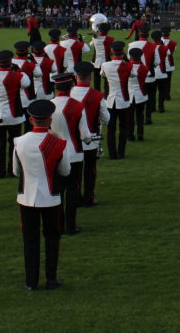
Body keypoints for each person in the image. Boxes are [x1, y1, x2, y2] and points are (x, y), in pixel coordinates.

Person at [12, 99, 71, 291]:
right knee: (52, 238)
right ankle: (51, 278)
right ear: (50, 119)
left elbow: (16, 171)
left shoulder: (19, 142)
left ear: (31, 120)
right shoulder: (59, 143)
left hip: (27, 196)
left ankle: (31, 281)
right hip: (51, 197)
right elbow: (65, 171)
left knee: (30, 239)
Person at [50, 72, 91, 235]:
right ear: (71, 86)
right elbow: (85, 135)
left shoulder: (49, 105)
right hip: (74, 153)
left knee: (57, 190)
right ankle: (71, 225)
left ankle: (58, 225)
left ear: (55, 86)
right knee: (72, 191)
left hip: (55, 153)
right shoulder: (78, 106)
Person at [0, 50, 30, 178]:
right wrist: (19, 70)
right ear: (11, 62)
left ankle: (0, 172)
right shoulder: (18, 76)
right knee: (14, 145)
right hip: (15, 116)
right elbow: (27, 83)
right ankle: (13, 170)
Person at [70, 62, 109, 207]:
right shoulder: (97, 96)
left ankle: (76, 197)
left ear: (76, 77)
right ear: (90, 77)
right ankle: (89, 197)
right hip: (91, 139)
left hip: (73, 139)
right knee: (90, 170)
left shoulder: (69, 94)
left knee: (75, 172)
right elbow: (106, 119)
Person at [100, 41, 134, 158]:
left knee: (111, 129)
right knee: (123, 128)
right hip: (124, 101)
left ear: (112, 51)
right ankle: (121, 153)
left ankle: (112, 154)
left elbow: (103, 75)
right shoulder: (128, 66)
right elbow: (133, 74)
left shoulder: (105, 65)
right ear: (123, 52)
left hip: (110, 100)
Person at [160, 27, 178, 101]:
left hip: (160, 64)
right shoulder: (174, 43)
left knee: (161, 82)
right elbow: (173, 51)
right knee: (168, 81)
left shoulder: (158, 42)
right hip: (169, 63)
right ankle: (167, 96)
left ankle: (162, 95)